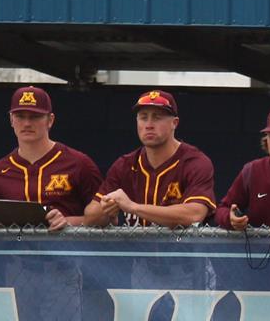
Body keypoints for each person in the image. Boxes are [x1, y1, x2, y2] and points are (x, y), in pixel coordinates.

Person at [0, 85, 104, 230]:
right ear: (11, 120)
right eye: (20, 116)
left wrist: (68, 222)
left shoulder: (79, 163)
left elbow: (106, 219)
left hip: (66, 248)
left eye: (35, 116)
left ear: (50, 120)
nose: (27, 123)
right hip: (17, 249)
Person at [88, 89, 218, 228]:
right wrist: (107, 209)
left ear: (174, 123)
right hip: (137, 249)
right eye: (143, 117)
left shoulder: (194, 162)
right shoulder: (125, 165)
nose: (149, 125)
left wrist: (133, 207)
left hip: (183, 248)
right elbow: (90, 218)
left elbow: (194, 214)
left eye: (157, 117)